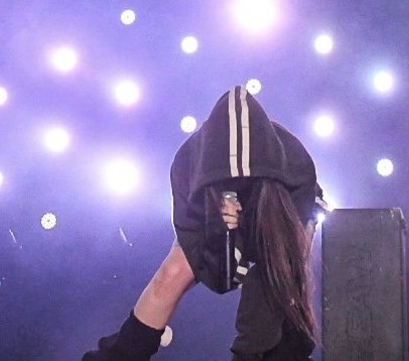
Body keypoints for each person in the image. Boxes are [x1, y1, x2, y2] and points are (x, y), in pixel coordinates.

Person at [82, 85, 325, 361]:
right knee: (171, 275)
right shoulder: (188, 169)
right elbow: (191, 265)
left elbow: (284, 269)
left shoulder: (295, 168)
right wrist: (218, 229)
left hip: (279, 206)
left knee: (278, 284)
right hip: (209, 206)